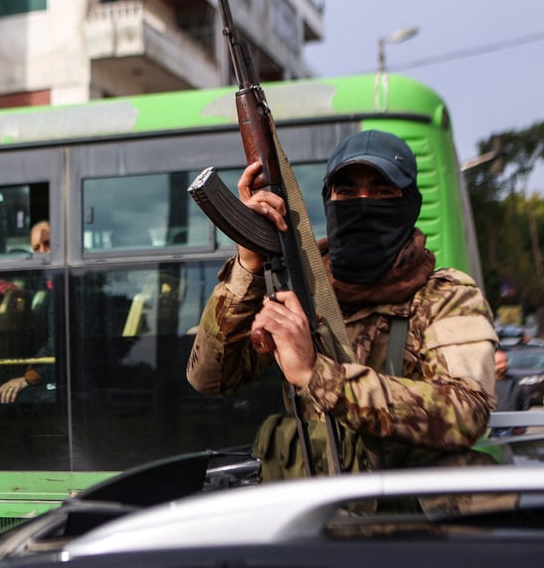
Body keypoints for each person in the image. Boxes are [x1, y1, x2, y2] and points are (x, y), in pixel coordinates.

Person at [187, 130, 498, 475]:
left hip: (405, 516)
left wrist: (317, 375)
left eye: (381, 191)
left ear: (409, 204)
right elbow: (210, 380)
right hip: (316, 510)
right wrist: (249, 265)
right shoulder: (301, 290)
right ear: (329, 200)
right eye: (347, 192)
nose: (362, 202)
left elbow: (466, 412)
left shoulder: (446, 296)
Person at [491, 345, 529, 437]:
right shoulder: (483, 384)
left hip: (511, 431)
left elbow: (524, 405)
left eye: (506, 361)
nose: (504, 365)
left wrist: (521, 427)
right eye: (499, 363)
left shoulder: (515, 382)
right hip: (488, 431)